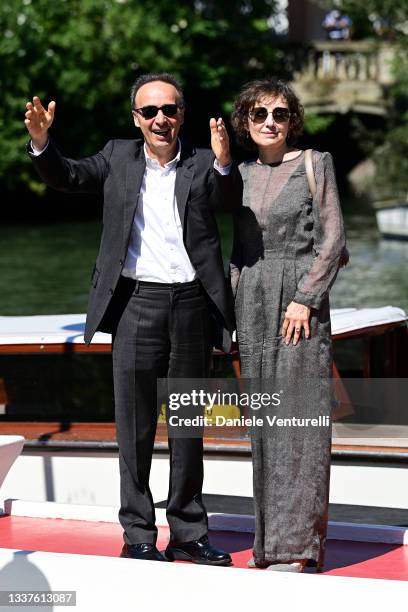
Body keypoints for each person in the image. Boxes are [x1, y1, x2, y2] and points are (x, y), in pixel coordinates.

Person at [25, 72, 240, 565]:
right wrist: (42, 142)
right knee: (135, 428)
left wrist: (227, 162)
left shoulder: (207, 162)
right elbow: (68, 175)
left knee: (188, 425)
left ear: (181, 115)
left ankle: (188, 531)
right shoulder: (117, 157)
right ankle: (139, 535)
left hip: (191, 305)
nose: (160, 119)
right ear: (135, 119)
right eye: (150, 111)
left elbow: (230, 201)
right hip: (135, 304)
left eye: (169, 110)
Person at [230, 78, 346, 572]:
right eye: (259, 115)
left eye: (279, 113)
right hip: (250, 299)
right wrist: (233, 301)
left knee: (298, 422)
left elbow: (333, 240)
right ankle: (268, 546)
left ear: (292, 119)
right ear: (245, 122)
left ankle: (298, 548)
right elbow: (235, 251)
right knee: (265, 427)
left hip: (299, 300)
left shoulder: (316, 164)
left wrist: (304, 298)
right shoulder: (237, 175)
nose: (270, 122)